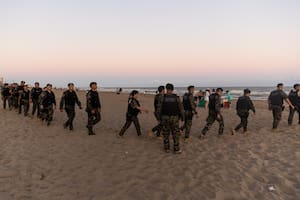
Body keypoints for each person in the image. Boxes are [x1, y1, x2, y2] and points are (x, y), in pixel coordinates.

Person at [156, 83, 185, 154]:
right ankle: (176, 149)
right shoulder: (176, 98)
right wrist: (183, 118)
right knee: (175, 134)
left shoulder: (162, 97)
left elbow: (158, 109)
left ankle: (167, 148)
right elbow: (181, 109)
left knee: (166, 133)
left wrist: (158, 118)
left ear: (166, 89)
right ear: (172, 89)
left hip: (165, 117)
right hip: (174, 118)